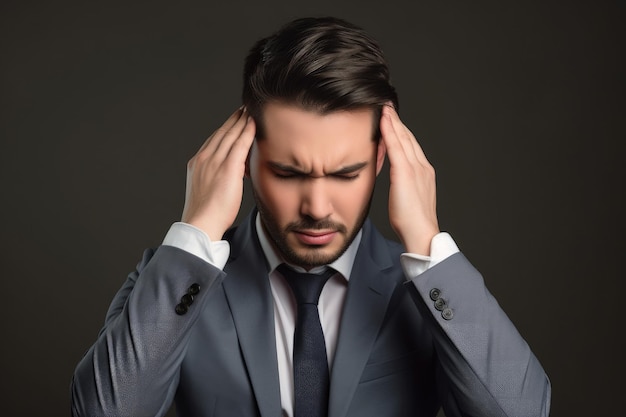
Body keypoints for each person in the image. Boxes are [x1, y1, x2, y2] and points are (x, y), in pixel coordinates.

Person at [71, 16, 551, 417]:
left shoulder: (429, 293)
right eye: (287, 172)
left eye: (345, 174)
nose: (317, 208)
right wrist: (195, 231)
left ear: (382, 162)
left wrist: (427, 242)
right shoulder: (176, 282)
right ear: (245, 160)